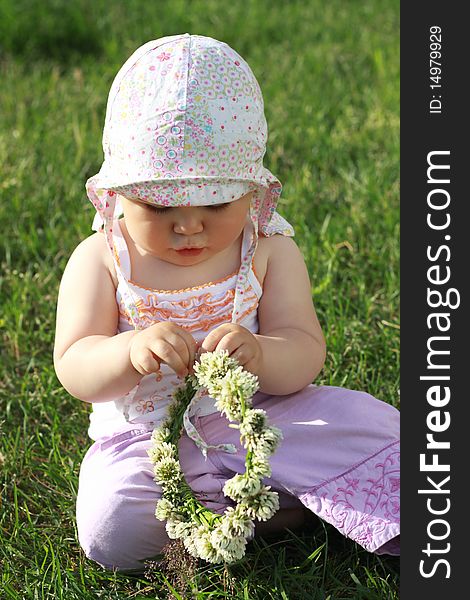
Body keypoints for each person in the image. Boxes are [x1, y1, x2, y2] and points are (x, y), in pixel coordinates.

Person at [53, 34, 400, 571]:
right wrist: (127, 352)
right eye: (160, 204)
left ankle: (253, 505)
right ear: (118, 192)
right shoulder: (101, 258)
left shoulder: (268, 251)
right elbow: (74, 362)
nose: (189, 224)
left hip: (264, 419)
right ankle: (278, 507)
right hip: (149, 443)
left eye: (216, 201)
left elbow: (305, 351)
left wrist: (261, 353)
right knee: (109, 524)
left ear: (251, 191)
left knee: (378, 437)